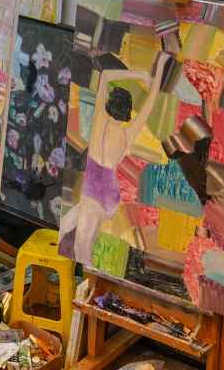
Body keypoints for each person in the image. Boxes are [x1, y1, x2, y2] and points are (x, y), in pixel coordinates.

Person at [62, 53, 172, 266]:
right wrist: (159, 66)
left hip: (94, 191)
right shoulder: (128, 134)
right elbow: (151, 101)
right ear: (128, 111)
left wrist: (139, 74)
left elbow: (106, 75)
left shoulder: (99, 119)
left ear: (109, 103)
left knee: (81, 248)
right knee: (71, 229)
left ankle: (84, 271)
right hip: (107, 194)